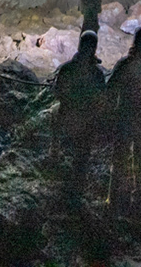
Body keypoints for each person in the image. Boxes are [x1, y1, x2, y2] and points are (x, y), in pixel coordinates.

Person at [106, 26, 141, 216]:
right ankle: (139, 200)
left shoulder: (124, 64)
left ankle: (114, 199)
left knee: (119, 159)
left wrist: (110, 114)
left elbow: (111, 88)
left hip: (125, 117)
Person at [53, 29, 106, 200]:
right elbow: (101, 98)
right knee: (81, 159)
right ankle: (76, 194)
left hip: (68, 119)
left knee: (66, 158)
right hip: (86, 122)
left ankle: (63, 194)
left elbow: (58, 92)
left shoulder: (67, 69)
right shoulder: (97, 73)